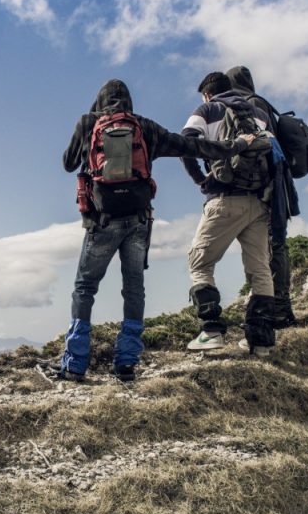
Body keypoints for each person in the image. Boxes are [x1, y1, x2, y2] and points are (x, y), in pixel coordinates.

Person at [59, 78, 254, 382]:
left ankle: (74, 364)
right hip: (137, 221)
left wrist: (90, 123)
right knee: (134, 288)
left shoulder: (88, 123)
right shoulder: (145, 127)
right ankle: (126, 363)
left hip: (101, 221)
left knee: (85, 287)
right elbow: (192, 145)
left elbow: (68, 163)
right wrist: (237, 146)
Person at [180, 71, 277, 356]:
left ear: (208, 94)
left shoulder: (207, 109)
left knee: (199, 263)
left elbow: (186, 143)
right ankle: (261, 342)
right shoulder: (258, 113)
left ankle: (211, 331)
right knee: (260, 268)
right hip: (259, 202)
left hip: (224, 199)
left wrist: (200, 179)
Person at [226, 66, 301, 329]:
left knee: (272, 245)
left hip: (267, 188)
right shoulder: (262, 103)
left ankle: (277, 310)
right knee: (274, 244)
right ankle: (279, 307)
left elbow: (260, 149)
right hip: (278, 183)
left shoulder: (248, 105)